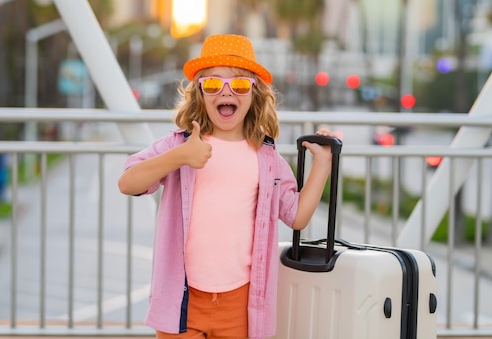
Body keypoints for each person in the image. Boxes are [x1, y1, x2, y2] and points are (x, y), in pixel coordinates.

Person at [118, 34, 337, 339]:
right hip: (182, 303)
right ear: (199, 91)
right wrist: (180, 156)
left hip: (241, 304)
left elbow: (296, 215)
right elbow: (128, 182)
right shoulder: (179, 145)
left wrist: (322, 164)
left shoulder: (267, 158)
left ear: (254, 92)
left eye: (239, 84)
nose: (226, 91)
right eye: (212, 84)